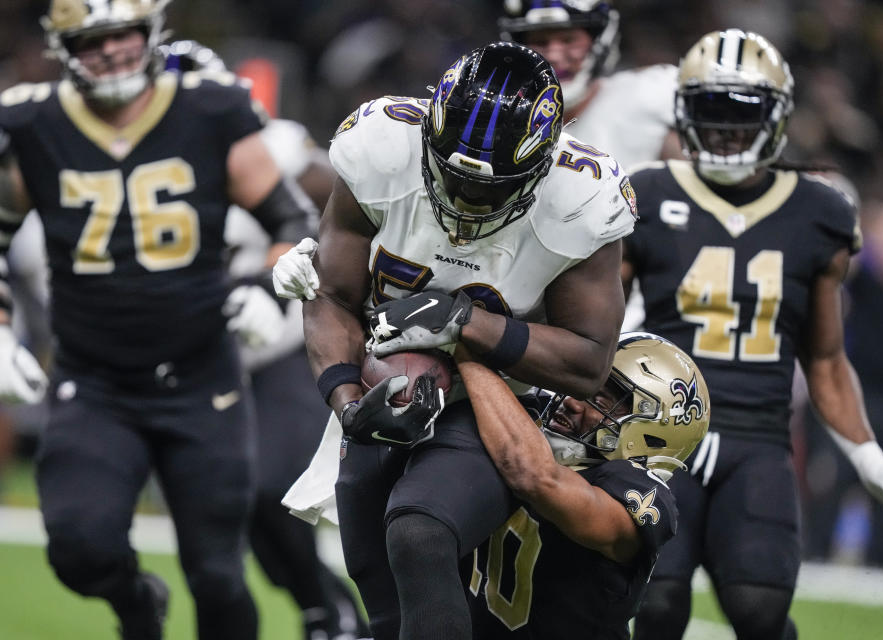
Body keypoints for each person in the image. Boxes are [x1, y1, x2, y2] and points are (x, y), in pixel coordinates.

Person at [273, 41, 636, 639]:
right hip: (384, 381)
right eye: (451, 175)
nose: (466, 200)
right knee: (384, 598)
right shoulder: (383, 146)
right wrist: (345, 400)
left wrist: (464, 323)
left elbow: (587, 361)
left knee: (420, 531)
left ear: (541, 163)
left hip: (502, 401)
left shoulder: (581, 197)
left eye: (489, 188)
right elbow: (335, 296)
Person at [0, 1, 317, 637]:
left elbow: (294, 220)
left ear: (151, 32)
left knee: (218, 574)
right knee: (78, 548)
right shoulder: (34, 122)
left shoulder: (210, 108)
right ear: (63, 47)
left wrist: (268, 287)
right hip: (94, 382)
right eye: (92, 39)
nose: (111, 51)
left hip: (203, 380)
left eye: (122, 33)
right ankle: (134, 601)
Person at [622, 29, 883, 640]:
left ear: (777, 117)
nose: (727, 129)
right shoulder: (647, 193)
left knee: (759, 605)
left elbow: (825, 355)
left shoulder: (819, 213)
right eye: (711, 110)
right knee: (653, 607)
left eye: (742, 113)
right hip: (656, 434)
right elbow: (603, 322)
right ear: (685, 113)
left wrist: (866, 453)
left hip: (758, 436)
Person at [165, 39, 369, 640]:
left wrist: (278, 276)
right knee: (236, 504)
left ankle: (328, 609)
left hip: (279, 344)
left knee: (268, 484)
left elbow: (338, 203)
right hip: (204, 356)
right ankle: (321, 606)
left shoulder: (271, 144)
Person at [456, 332, 710, 639]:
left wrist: (465, 349)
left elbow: (536, 477)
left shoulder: (641, 492)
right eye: (578, 386)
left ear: (654, 431)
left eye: (601, 398)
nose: (573, 402)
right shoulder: (530, 422)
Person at [499, 0, 679, 332]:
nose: (553, 54)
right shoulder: (498, 118)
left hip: (639, 311)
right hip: (529, 312)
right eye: (540, 41)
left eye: (568, 40)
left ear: (600, 39)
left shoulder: (650, 97)